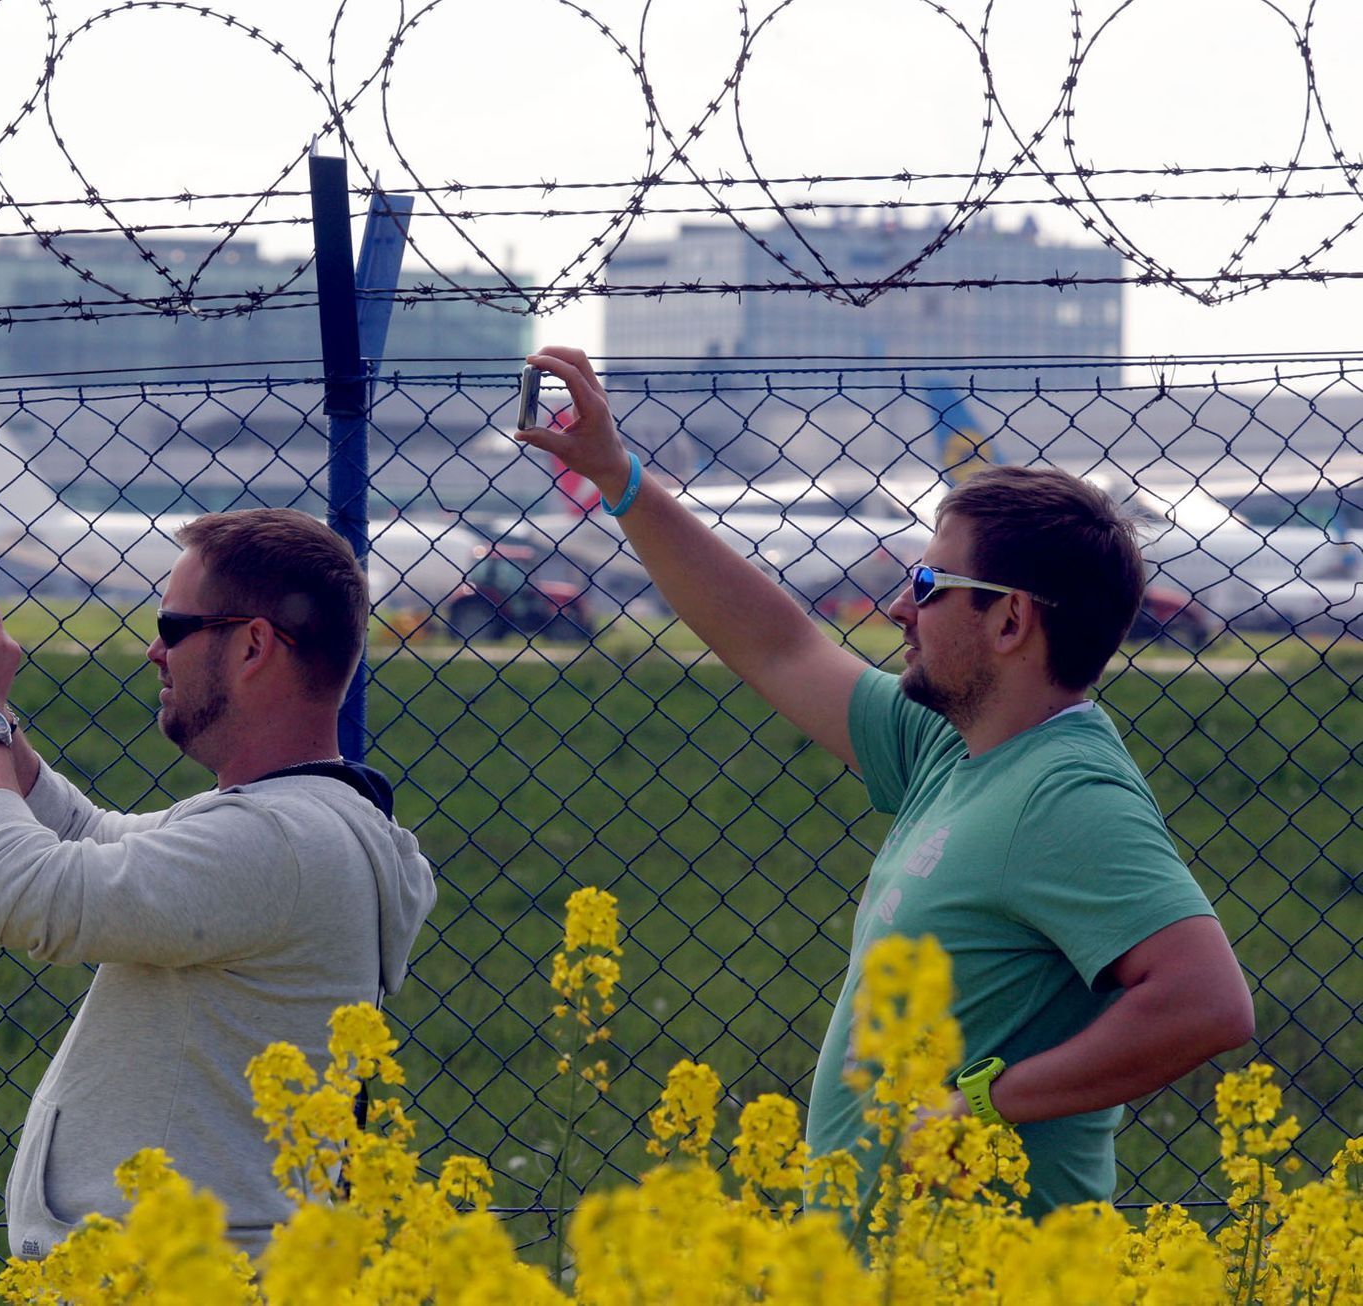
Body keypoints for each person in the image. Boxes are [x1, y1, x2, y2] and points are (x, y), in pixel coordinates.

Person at [516, 345, 1254, 1216]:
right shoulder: (953, 746)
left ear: (1011, 619)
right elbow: (777, 644)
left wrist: (981, 1103)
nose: (901, 605)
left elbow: (1207, 1002)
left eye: (929, 583)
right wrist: (619, 478)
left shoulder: (1067, 793)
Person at [0, 507, 436, 1257]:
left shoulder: (274, 842)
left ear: (255, 644)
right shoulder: (296, 821)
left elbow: (18, 890)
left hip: (176, 1275)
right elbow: (87, 839)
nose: (153, 653)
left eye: (172, 627)